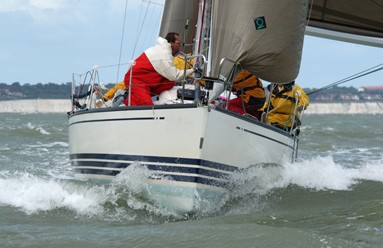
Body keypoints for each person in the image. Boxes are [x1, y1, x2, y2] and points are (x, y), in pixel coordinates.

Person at [123, 32, 195, 106]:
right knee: (146, 104)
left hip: (147, 81)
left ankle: (138, 96)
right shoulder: (164, 54)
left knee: (170, 82)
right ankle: (126, 98)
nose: (180, 45)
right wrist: (193, 70)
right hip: (136, 79)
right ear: (171, 43)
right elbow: (174, 75)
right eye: (178, 43)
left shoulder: (162, 50)